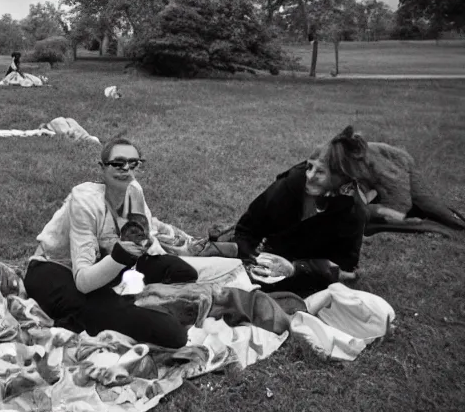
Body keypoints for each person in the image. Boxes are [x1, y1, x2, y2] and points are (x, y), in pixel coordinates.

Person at [23, 135, 198, 348]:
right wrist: (120, 257)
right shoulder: (85, 201)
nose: (126, 169)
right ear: (102, 168)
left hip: (107, 258)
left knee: (182, 271)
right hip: (55, 268)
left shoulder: (134, 190)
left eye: (134, 163)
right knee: (172, 334)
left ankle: (124, 302)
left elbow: (141, 235)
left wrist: (141, 244)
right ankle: (94, 314)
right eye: (118, 163)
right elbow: (84, 282)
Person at [235, 126, 370, 296]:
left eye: (320, 172)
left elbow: (346, 270)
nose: (310, 176)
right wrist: (250, 260)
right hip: (263, 265)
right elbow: (245, 230)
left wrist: (296, 269)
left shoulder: (353, 211)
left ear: (341, 178)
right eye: (309, 167)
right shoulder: (287, 187)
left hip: (306, 279)